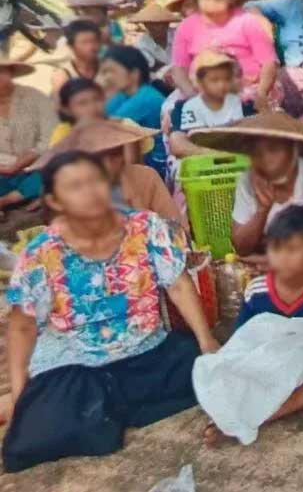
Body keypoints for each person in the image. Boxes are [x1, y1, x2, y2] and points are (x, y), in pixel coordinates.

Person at [2, 150, 218, 473]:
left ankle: (110, 406)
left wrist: (206, 341)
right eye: (75, 186)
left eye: (95, 182)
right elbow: (21, 327)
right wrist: (23, 395)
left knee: (211, 379)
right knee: (33, 442)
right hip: (77, 364)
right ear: (56, 201)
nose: (90, 192)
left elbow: (178, 284)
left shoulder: (146, 227)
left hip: (146, 351)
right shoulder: (41, 254)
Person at [204, 206, 303, 445]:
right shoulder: (256, 291)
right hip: (265, 366)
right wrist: (271, 365)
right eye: (275, 248)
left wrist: (299, 363)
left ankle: (260, 417)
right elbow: (243, 342)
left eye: (293, 249)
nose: (282, 258)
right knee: (226, 374)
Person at [188, 113, 303, 256]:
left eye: (273, 150)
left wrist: (264, 257)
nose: (265, 159)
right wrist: (262, 210)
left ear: (292, 151)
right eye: (257, 152)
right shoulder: (247, 180)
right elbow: (241, 247)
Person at [170, 0, 278, 110]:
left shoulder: (247, 21)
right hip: (200, 91)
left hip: (248, 89)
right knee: (171, 112)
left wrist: (261, 92)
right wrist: (192, 95)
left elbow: (269, 63)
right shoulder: (186, 26)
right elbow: (179, 69)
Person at [43, 120, 184, 225]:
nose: (111, 162)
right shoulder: (73, 187)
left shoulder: (144, 177)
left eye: (116, 154)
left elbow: (176, 226)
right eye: (101, 156)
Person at [168, 51, 252, 159]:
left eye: (227, 78)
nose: (222, 84)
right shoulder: (187, 106)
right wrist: (219, 155)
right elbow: (179, 143)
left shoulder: (246, 103)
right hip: (203, 162)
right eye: (215, 80)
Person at [101, 45, 168, 177]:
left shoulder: (146, 97)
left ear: (134, 73)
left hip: (157, 162)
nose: (107, 77)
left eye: (112, 71)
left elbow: (107, 127)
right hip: (141, 156)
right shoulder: (124, 94)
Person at [0, 60, 56, 208]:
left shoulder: (35, 97)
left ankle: (6, 201)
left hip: (35, 167)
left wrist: (26, 160)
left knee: (58, 167)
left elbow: (51, 138)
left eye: (1, 72)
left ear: (10, 73)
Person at [50, 19, 102, 97]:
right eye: (85, 42)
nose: (92, 47)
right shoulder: (63, 75)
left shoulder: (109, 67)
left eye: (94, 41)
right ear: (71, 46)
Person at [126, 2, 176, 74]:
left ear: (167, 24)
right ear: (146, 26)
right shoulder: (142, 44)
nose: (153, 28)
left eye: (157, 24)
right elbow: (151, 67)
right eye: (149, 24)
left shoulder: (178, 35)